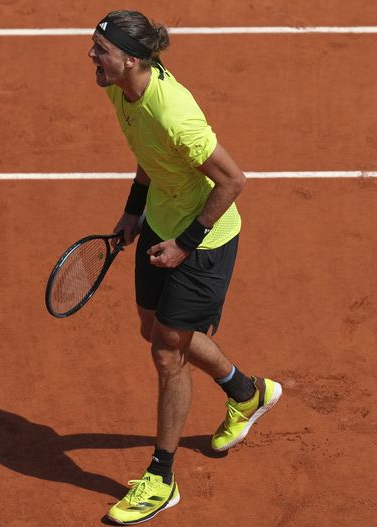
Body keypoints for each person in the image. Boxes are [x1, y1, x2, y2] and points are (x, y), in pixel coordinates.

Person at [88, 10, 283, 525]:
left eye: (100, 50)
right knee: (153, 328)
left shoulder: (176, 113)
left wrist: (185, 244)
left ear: (131, 59)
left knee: (167, 350)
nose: (92, 57)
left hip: (205, 236)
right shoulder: (117, 86)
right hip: (160, 220)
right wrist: (134, 209)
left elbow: (233, 180)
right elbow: (146, 152)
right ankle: (247, 392)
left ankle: (162, 476)